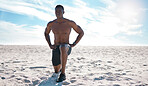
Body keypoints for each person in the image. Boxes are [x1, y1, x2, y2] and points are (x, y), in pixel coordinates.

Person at [44, 5, 84, 82]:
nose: (58, 13)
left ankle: (63, 74)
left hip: (66, 47)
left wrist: (74, 43)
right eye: (56, 11)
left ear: (63, 12)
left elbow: (81, 32)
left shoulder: (69, 23)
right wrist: (50, 44)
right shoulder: (51, 24)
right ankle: (60, 69)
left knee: (63, 47)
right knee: (56, 70)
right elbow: (46, 33)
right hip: (56, 47)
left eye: (60, 11)